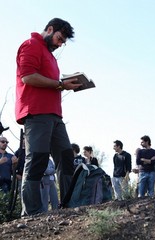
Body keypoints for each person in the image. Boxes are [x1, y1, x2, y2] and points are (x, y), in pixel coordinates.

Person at [15, 18, 82, 216]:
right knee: (37, 159)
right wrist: (60, 85)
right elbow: (28, 77)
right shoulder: (31, 45)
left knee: (66, 156)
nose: (59, 44)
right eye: (59, 38)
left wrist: (65, 83)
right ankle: (32, 213)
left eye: (63, 42)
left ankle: (68, 206)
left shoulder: (51, 56)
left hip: (55, 115)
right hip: (35, 112)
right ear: (50, 29)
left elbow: (50, 82)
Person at [14, 133, 26, 198]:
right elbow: (12, 165)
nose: (24, 140)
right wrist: (16, 174)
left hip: (30, 177)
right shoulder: (18, 152)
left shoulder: (31, 151)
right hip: (21, 177)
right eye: (23, 138)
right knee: (22, 195)